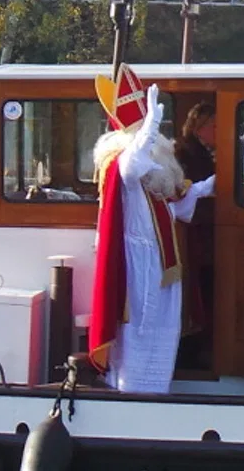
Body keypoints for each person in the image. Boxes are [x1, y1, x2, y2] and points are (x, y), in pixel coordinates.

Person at [87, 84, 215, 394]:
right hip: (138, 262)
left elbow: (178, 209)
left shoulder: (152, 178)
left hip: (160, 262)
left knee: (162, 324)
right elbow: (133, 164)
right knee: (141, 326)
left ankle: (156, 387)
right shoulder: (120, 163)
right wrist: (151, 125)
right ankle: (135, 389)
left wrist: (209, 185)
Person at [172, 102, 217, 367]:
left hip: (205, 234)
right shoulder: (184, 154)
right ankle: (190, 353)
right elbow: (180, 197)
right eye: (214, 126)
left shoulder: (204, 153)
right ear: (199, 128)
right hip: (192, 237)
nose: (218, 131)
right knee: (195, 292)